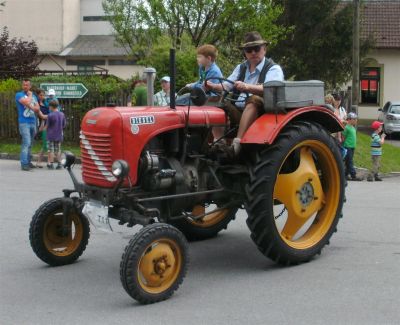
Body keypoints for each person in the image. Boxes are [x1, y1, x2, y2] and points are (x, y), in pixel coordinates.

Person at [206, 31, 284, 155]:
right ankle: (218, 143)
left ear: (264, 49)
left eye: (256, 49)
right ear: (245, 53)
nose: (253, 52)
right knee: (214, 101)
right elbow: (226, 85)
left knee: (254, 100)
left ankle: (237, 146)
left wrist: (247, 87)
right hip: (239, 111)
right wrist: (212, 85)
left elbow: (271, 89)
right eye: (249, 50)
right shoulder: (241, 68)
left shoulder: (273, 69)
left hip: (262, 115)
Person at [15, 79, 40, 171]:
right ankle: (24, 163)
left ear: (30, 86)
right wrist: (29, 97)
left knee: (30, 143)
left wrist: (32, 106)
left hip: (33, 121)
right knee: (26, 142)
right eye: (24, 85)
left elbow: (38, 108)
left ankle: (28, 162)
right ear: (22, 86)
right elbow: (25, 102)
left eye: (27, 85)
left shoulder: (34, 96)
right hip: (24, 122)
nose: (25, 86)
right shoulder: (19, 95)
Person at [46, 100, 66, 169]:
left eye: (49, 107)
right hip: (59, 135)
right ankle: (59, 163)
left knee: (51, 150)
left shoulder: (50, 115)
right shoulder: (62, 114)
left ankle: (51, 164)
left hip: (51, 135)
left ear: (51, 107)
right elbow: (64, 125)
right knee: (58, 150)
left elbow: (47, 126)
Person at [342, 112, 362, 181]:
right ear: (349, 119)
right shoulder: (347, 127)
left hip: (352, 147)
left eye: (356, 119)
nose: (356, 120)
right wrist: (344, 145)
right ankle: (354, 175)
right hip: (348, 146)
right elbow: (343, 137)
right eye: (354, 119)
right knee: (350, 161)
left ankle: (345, 175)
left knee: (348, 161)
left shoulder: (353, 128)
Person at [35, 89, 50, 168]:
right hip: (43, 125)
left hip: (49, 125)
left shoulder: (45, 103)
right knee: (45, 145)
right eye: (40, 95)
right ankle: (40, 162)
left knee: (47, 145)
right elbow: (42, 116)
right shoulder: (37, 104)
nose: (42, 96)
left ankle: (46, 162)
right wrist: (54, 115)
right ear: (37, 95)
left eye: (43, 95)